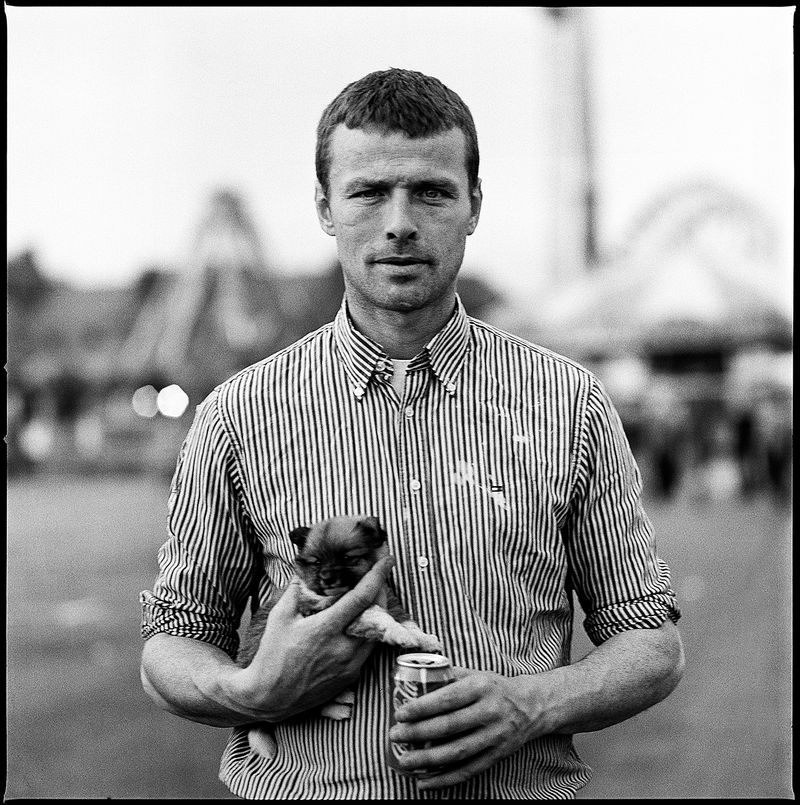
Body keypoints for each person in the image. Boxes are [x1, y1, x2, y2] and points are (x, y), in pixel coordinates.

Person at [140, 68, 684, 799]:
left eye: (431, 191)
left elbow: (651, 639)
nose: (399, 222)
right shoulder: (238, 414)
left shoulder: (569, 402)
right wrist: (252, 691)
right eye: (368, 192)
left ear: (473, 205)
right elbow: (173, 641)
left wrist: (530, 704)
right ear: (325, 207)